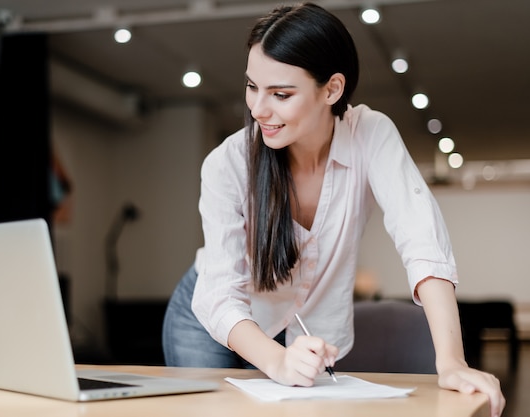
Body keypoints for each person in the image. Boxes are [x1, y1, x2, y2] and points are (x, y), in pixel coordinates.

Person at [161, 3, 505, 416]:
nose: (258, 110)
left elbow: (422, 240)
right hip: (211, 321)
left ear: (332, 89)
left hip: (303, 328)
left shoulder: (369, 134)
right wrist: (276, 361)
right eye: (252, 86)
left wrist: (452, 363)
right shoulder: (228, 164)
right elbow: (220, 297)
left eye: (281, 94)